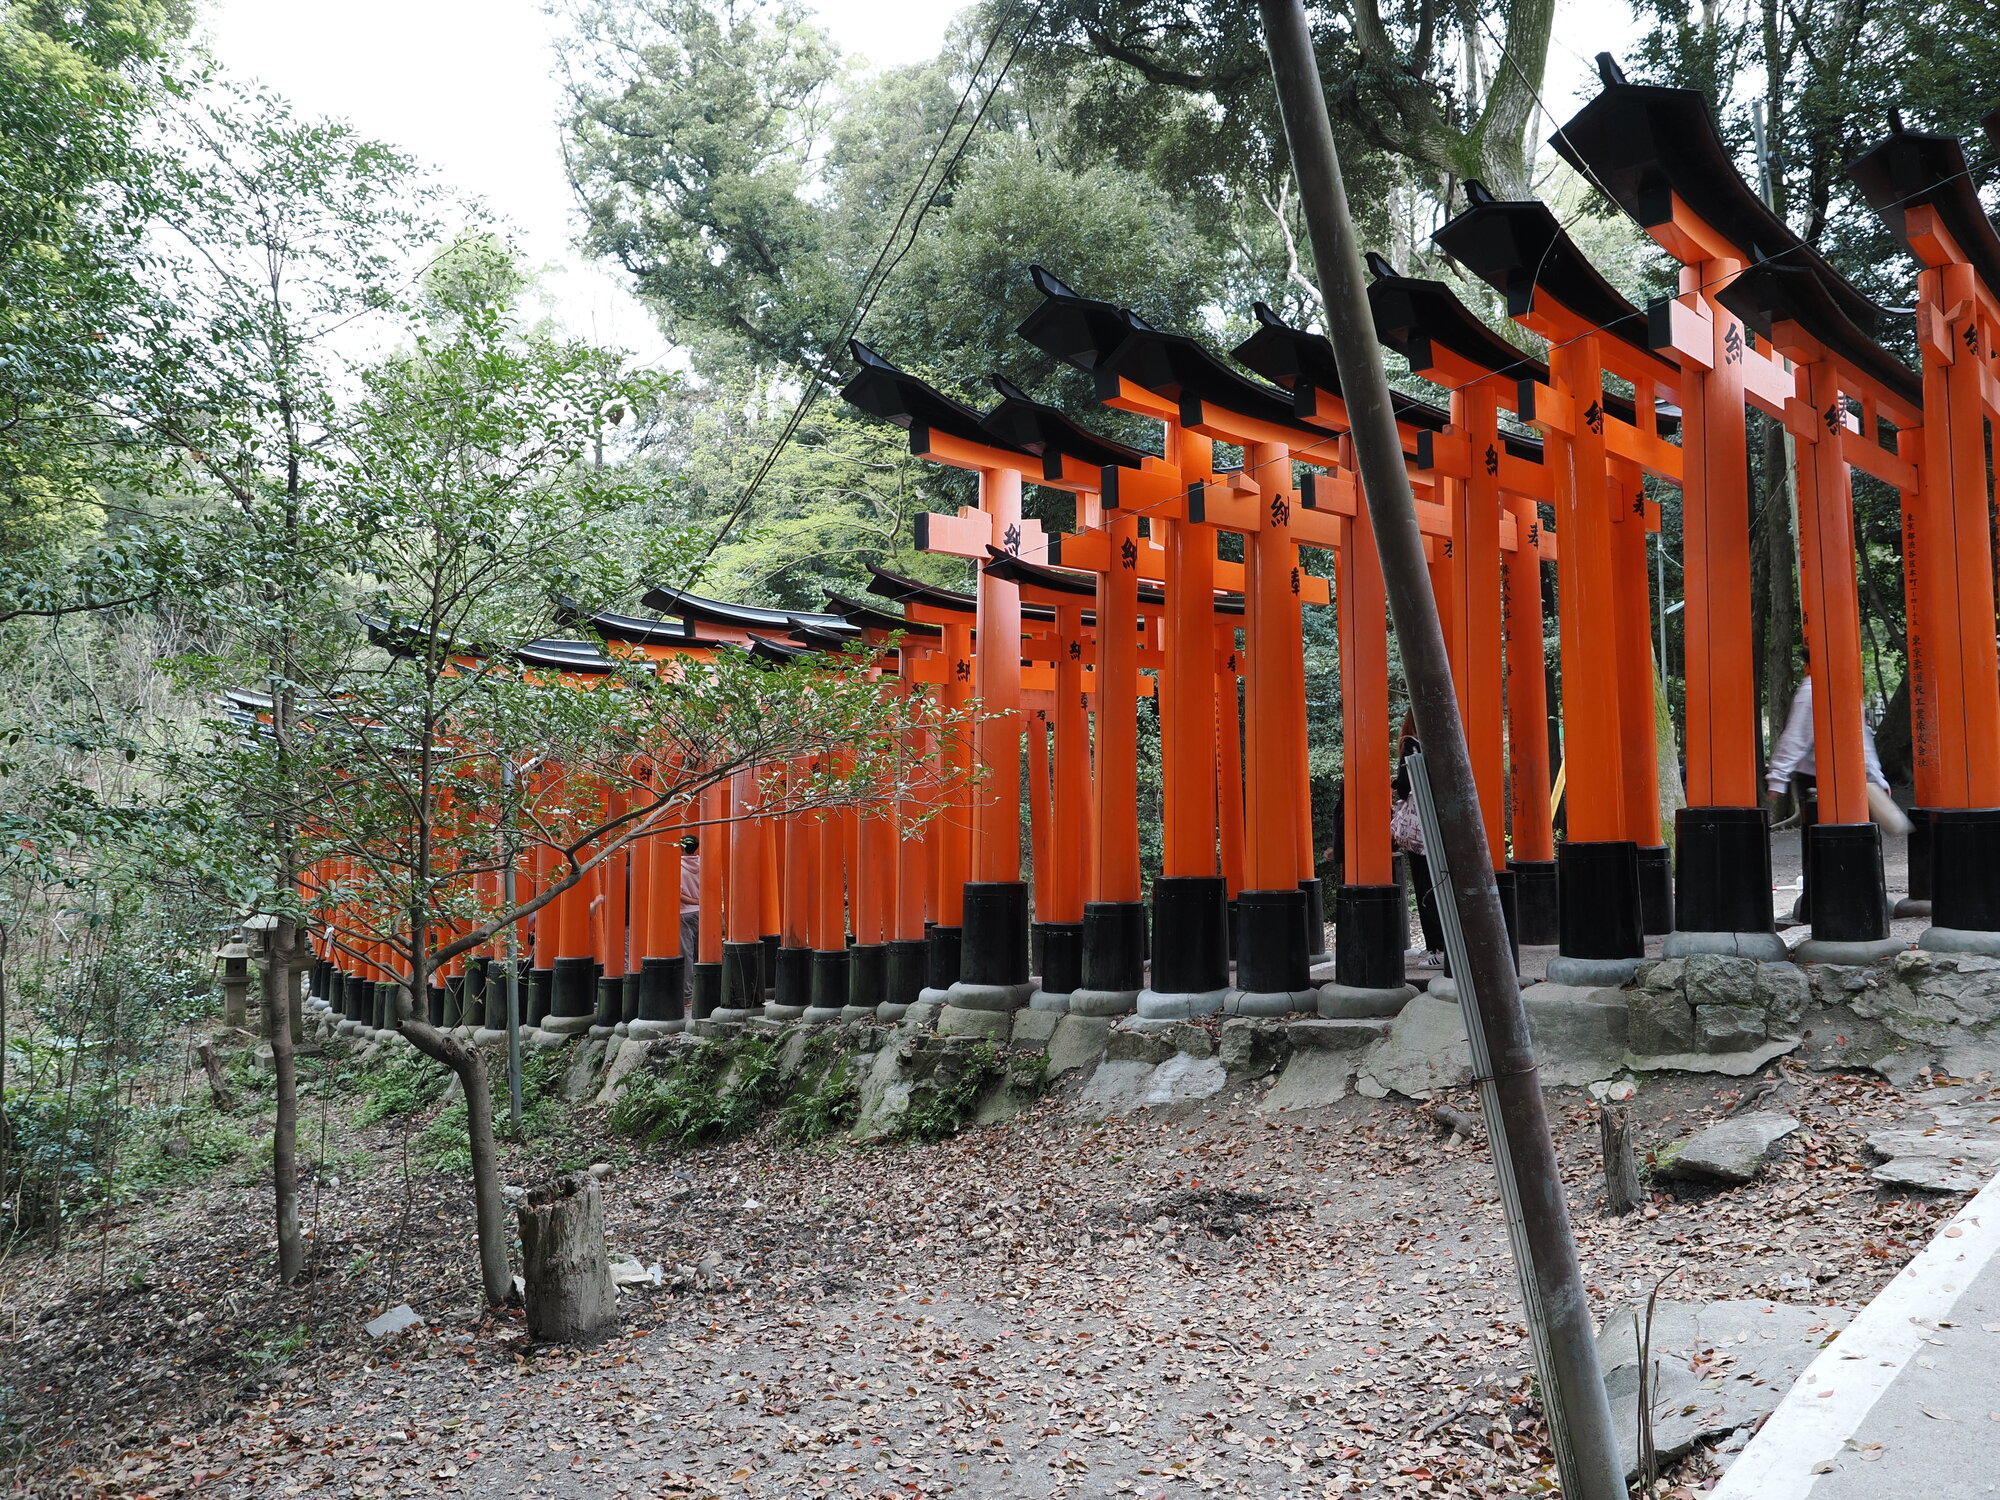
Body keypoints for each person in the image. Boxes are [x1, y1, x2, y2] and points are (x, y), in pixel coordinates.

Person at [1766, 677, 1896, 924]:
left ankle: (1838, 907)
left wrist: (1875, 776)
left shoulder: (1830, 687)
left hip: (1841, 775)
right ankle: (1823, 908)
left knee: (1840, 844)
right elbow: (1800, 736)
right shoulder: (1818, 688)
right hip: (1820, 777)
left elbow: (1858, 735)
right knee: (1824, 846)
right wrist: (1778, 776)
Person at [1392, 730, 1444, 963]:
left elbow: (1404, 786)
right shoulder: (1444, 742)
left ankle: (1437, 948)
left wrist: (1396, 783)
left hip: (1421, 832)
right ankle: (1441, 946)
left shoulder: (1411, 744)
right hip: (1443, 825)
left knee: (1426, 887)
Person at [678, 834, 701, 1005]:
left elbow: (679, 895)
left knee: (687, 953)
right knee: (702, 953)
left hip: (685, 913)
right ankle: (703, 991)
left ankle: (687, 996)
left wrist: (694, 901)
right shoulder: (703, 863)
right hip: (703, 913)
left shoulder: (678, 866)